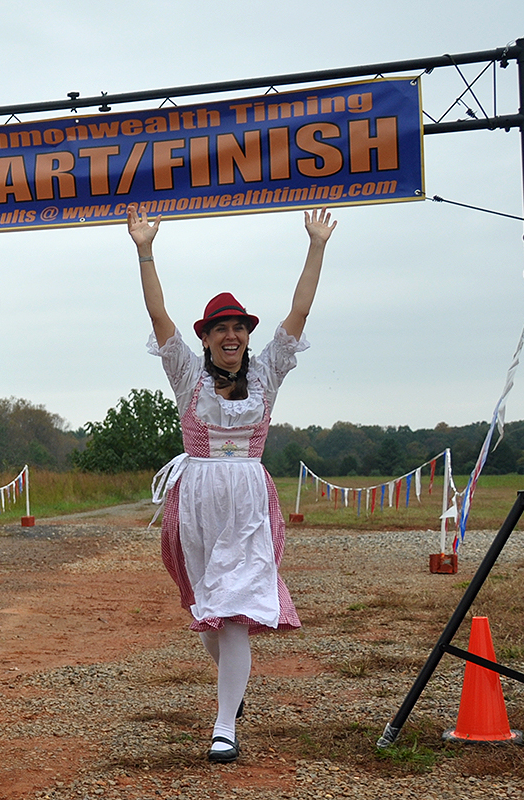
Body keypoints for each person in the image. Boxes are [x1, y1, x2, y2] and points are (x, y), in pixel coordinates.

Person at [126, 201, 336, 763]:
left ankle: (224, 726)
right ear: (208, 337)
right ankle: (233, 691)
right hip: (194, 499)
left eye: (238, 328)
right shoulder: (186, 373)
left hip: (246, 499)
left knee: (236, 608)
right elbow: (158, 316)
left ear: (247, 334)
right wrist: (145, 250)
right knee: (207, 613)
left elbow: (299, 312)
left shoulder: (267, 371)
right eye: (222, 328)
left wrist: (315, 246)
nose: (231, 336)